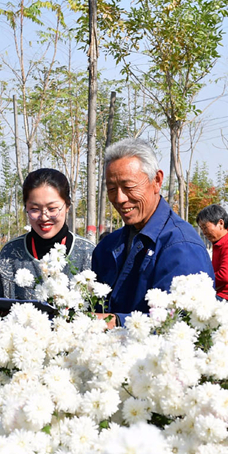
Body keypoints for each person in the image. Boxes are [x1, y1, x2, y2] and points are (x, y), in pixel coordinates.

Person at [92, 138, 214, 327]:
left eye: (129, 187)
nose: (119, 198)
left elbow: (182, 323)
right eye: (111, 189)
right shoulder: (108, 247)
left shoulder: (181, 247)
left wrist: (115, 322)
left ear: (157, 181)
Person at [0, 168, 95, 299]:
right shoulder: (10, 254)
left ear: (67, 206)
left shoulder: (88, 254)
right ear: (26, 208)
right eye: (35, 209)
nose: (44, 217)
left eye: (52, 209)